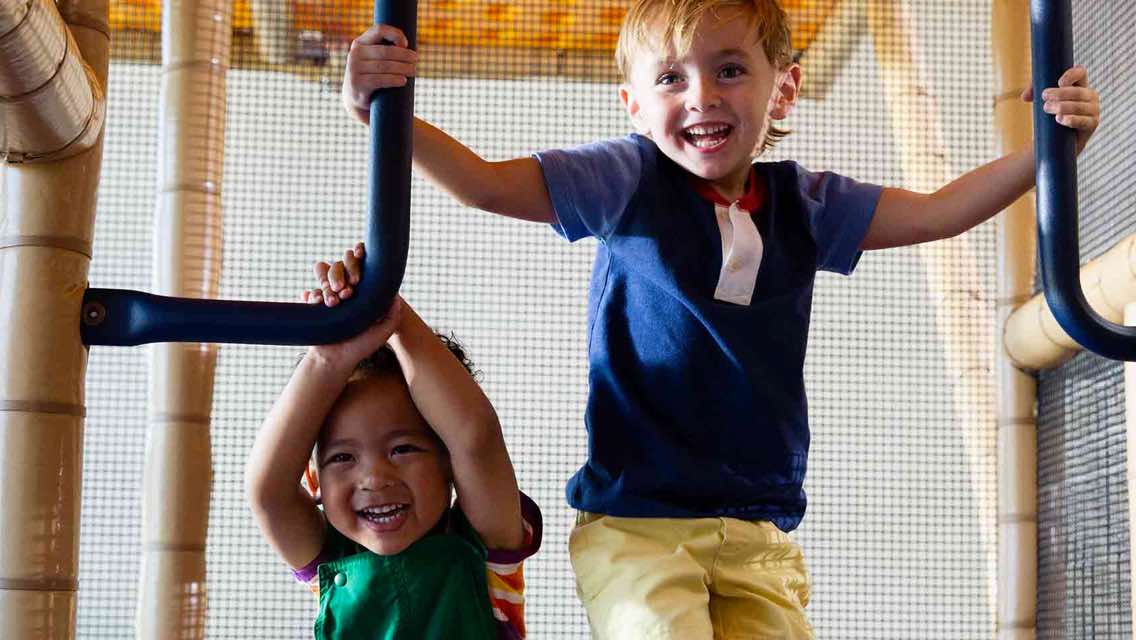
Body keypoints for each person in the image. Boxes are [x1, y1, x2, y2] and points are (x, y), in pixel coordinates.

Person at [339, 1, 1101, 637]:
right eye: (671, 78)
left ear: (784, 90)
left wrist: (1045, 148)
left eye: (730, 69)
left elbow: (937, 213)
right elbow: (483, 186)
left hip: (757, 530)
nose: (701, 95)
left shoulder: (806, 204)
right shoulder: (626, 181)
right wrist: (385, 114)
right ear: (633, 105)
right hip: (636, 524)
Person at [246, 244, 542, 639]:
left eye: (402, 449)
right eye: (342, 458)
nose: (374, 477)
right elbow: (267, 491)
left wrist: (391, 312)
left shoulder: (487, 549)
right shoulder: (328, 562)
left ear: (450, 463)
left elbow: (475, 437)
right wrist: (325, 362)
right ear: (315, 482)